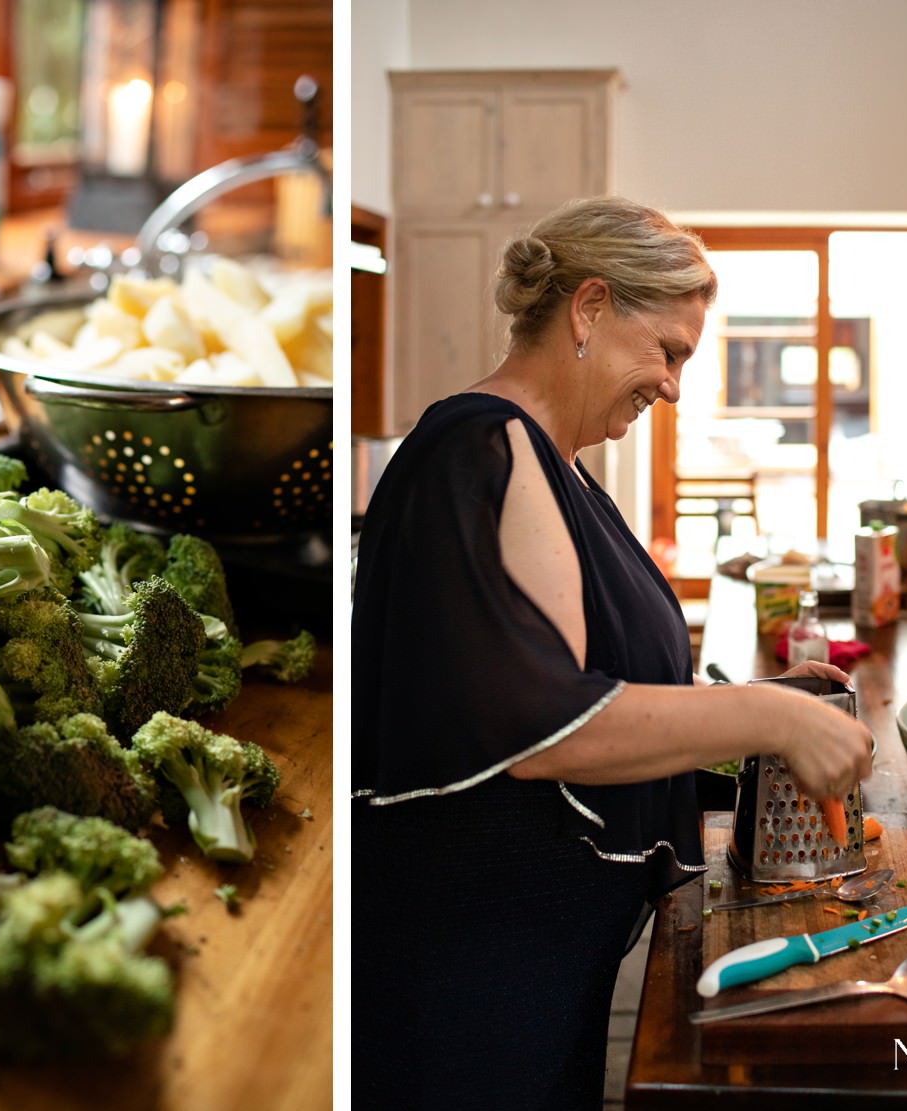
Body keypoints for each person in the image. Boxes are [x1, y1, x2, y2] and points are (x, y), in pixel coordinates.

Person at [350, 196, 874, 1110]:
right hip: (470, 980)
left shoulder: (559, 466)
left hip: (538, 958)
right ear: (588, 309)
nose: (673, 385)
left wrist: (764, 696)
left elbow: (602, 686)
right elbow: (542, 725)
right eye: (668, 351)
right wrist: (767, 716)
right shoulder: (474, 449)